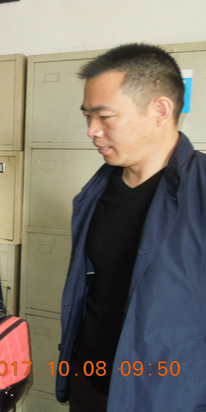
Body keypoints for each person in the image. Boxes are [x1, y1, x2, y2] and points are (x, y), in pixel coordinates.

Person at [56, 43, 206, 412]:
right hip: (89, 380)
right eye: (87, 116)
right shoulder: (96, 192)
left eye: (105, 116)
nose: (92, 130)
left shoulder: (201, 192)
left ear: (160, 110)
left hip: (167, 395)